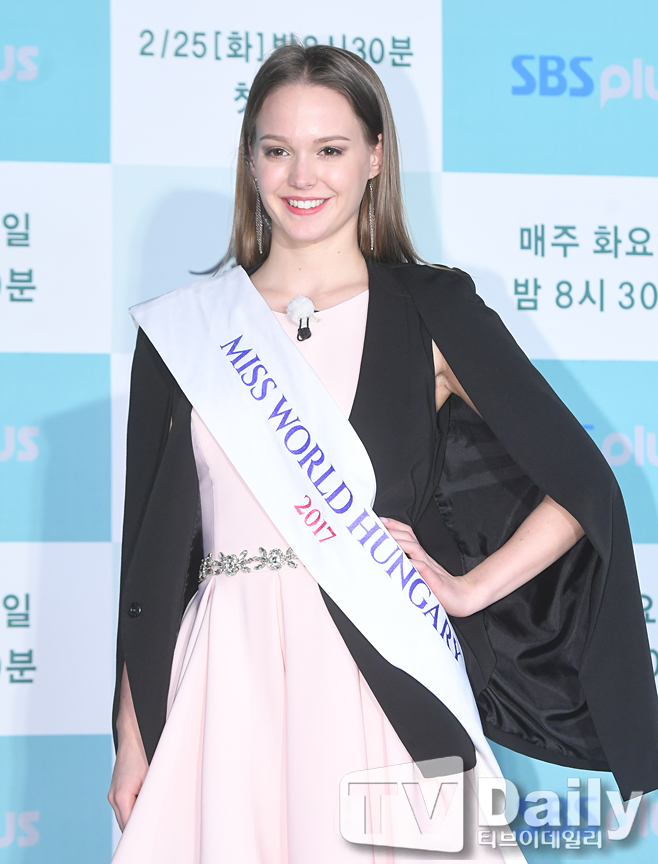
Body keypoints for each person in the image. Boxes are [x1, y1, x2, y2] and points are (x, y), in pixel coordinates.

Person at [108, 43, 658, 863]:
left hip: (380, 667)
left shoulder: (429, 309)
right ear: (251, 160)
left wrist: (469, 589)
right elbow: (151, 557)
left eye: (330, 149)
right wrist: (132, 731)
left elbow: (583, 485)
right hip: (222, 674)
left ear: (374, 156)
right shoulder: (187, 330)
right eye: (278, 149)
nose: (302, 176)